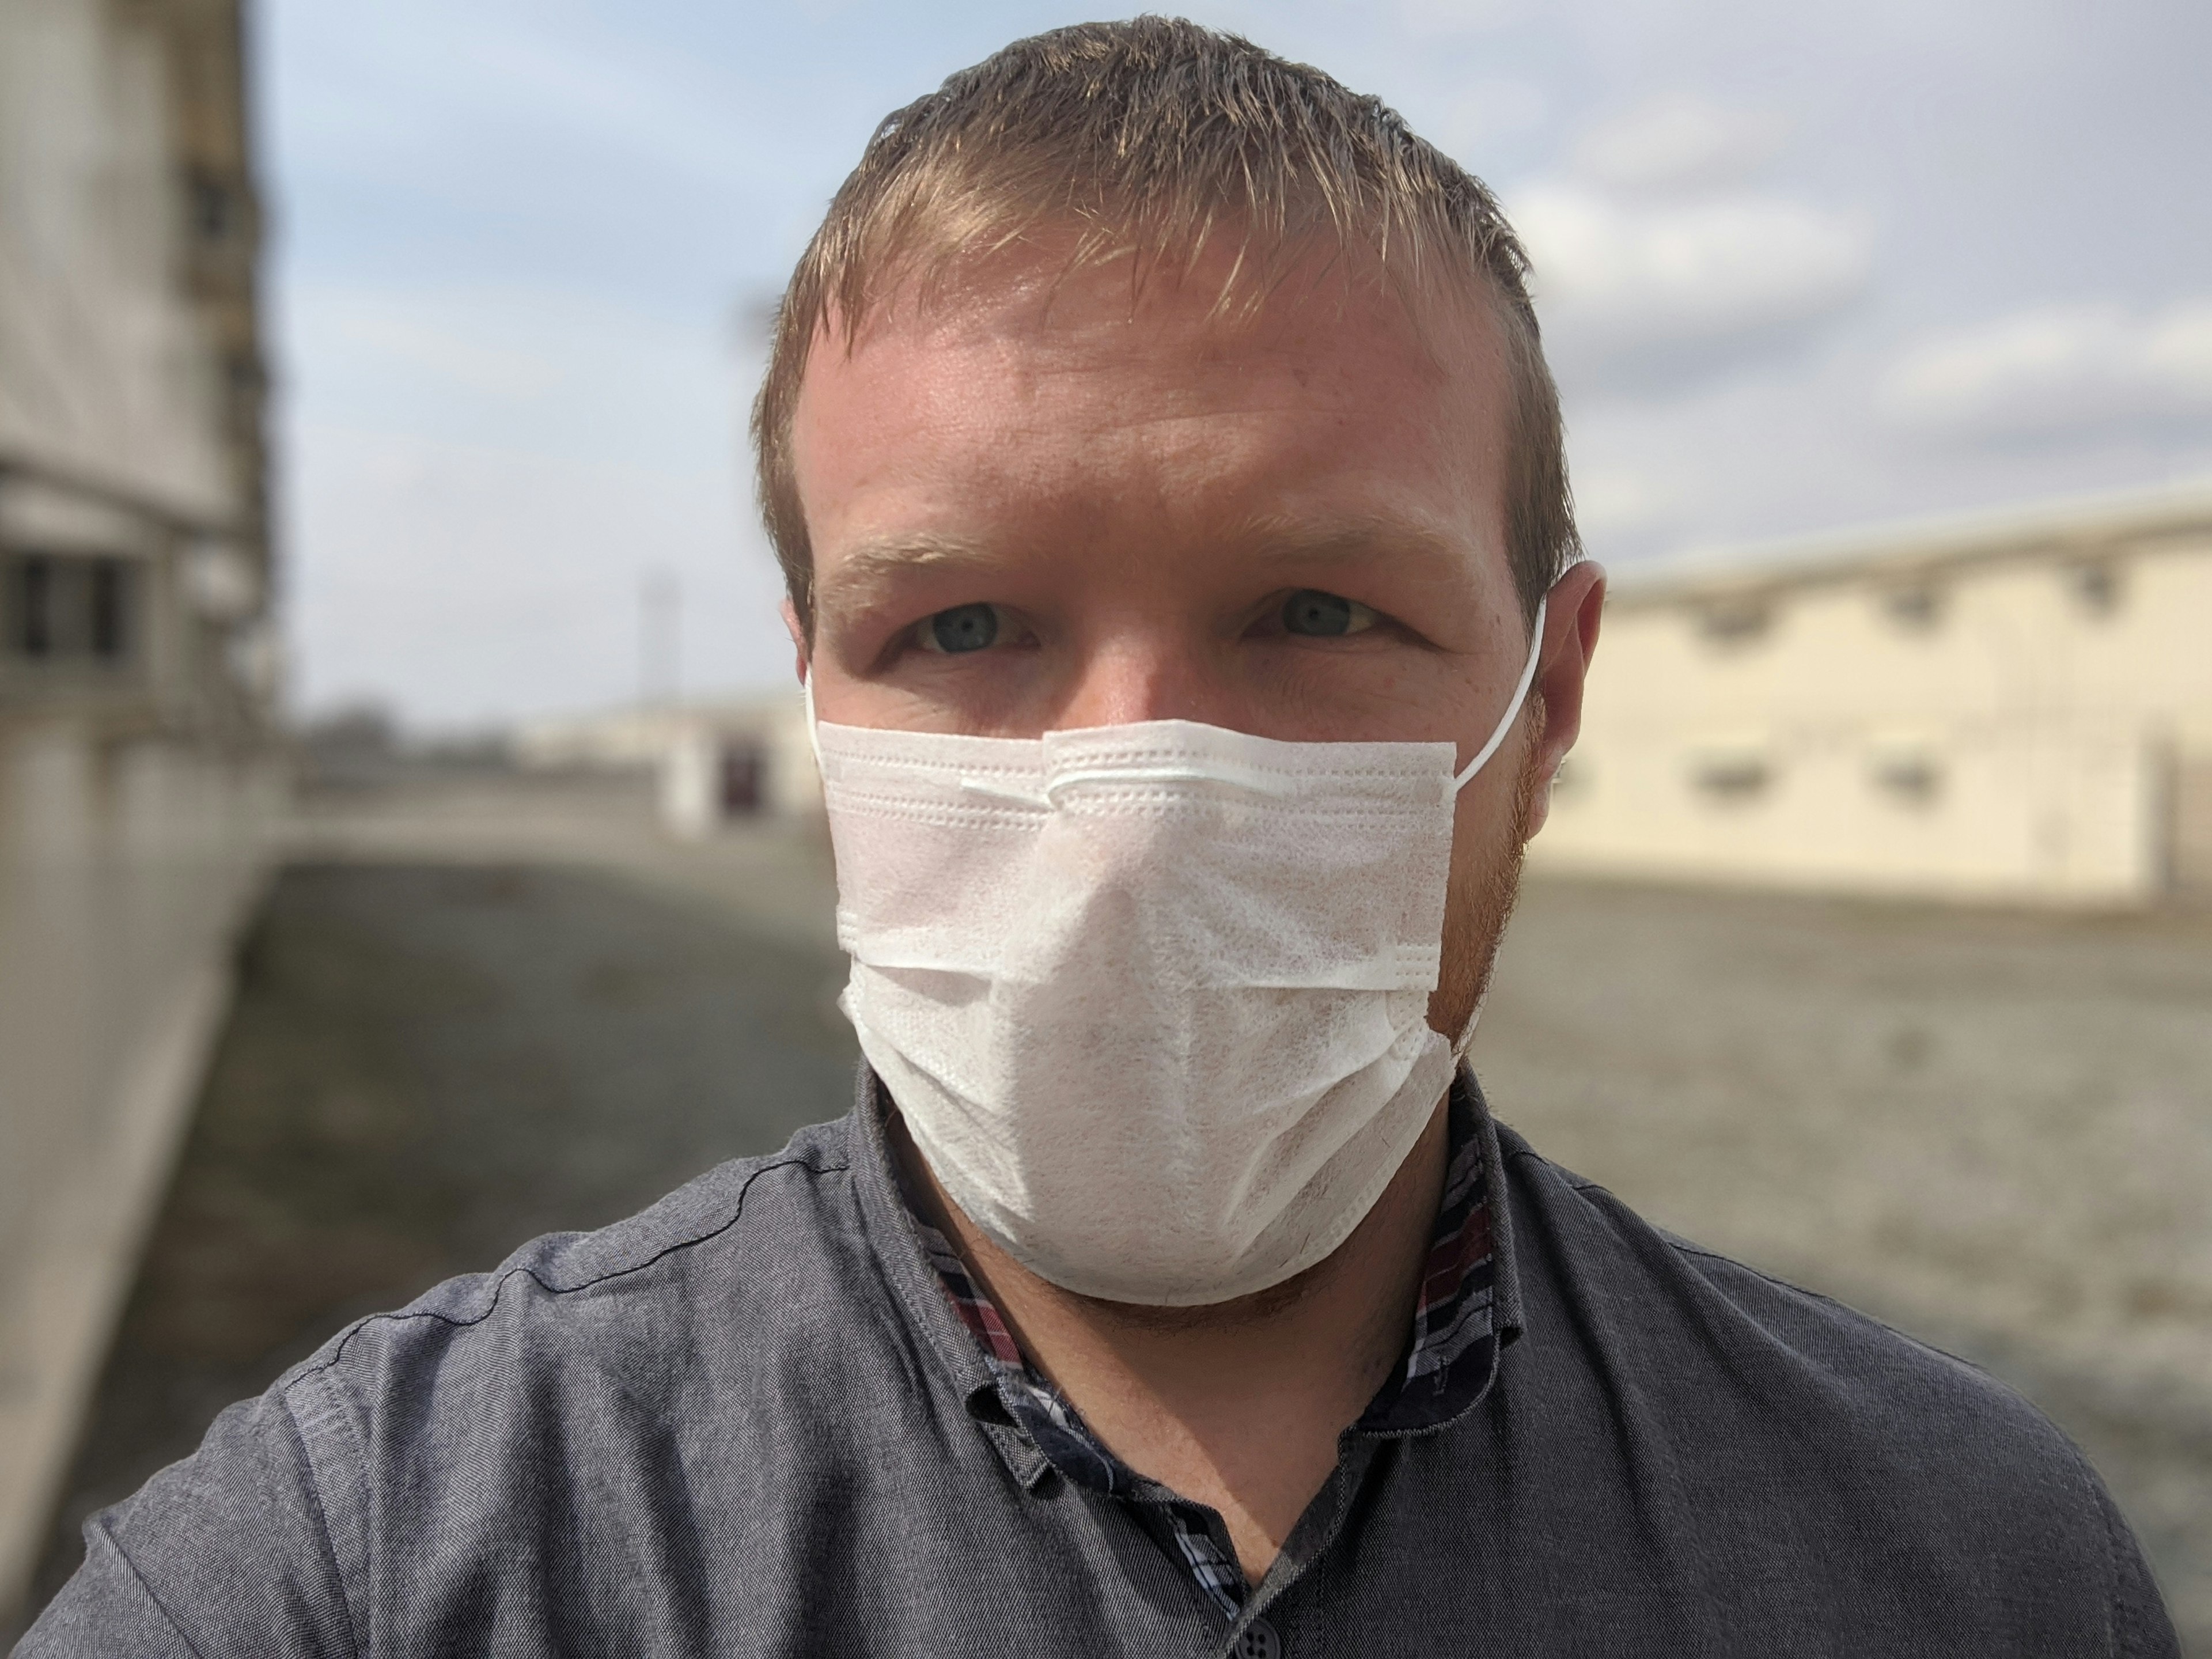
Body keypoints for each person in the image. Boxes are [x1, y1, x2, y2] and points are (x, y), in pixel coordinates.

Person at [21, 20, 2175, 1658]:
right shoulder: (387, 1554)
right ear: (816, 694)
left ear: (1556, 693)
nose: (1131, 799)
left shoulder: (1956, 1556)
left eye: (1317, 611)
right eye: (961, 625)